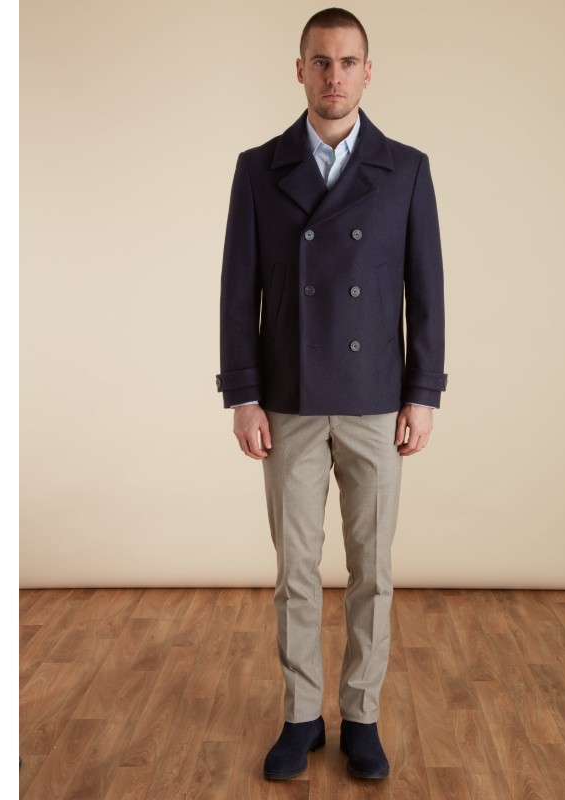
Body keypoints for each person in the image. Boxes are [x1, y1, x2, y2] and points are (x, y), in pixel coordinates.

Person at [216, 7, 448, 781]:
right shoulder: (259, 168)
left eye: (348, 61)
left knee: (373, 570)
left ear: (368, 72)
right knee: (295, 572)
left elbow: (426, 291)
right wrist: (243, 395)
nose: (334, 75)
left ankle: (363, 718)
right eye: (321, 61)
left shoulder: (406, 169)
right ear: (300, 70)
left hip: (377, 400)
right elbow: (237, 292)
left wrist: (423, 393)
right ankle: (300, 717)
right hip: (288, 399)